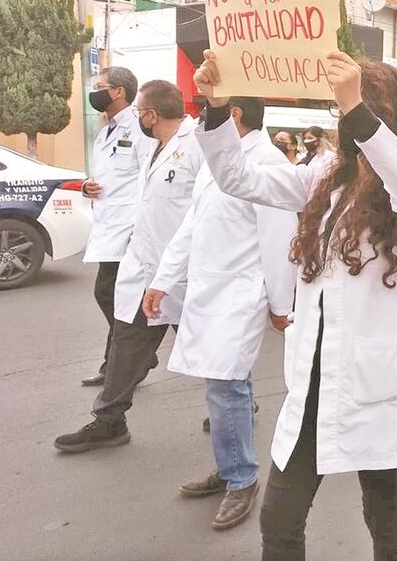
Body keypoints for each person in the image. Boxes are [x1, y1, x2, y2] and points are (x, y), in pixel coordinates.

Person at [190, 49, 397, 559]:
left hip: (376, 385)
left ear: (382, 114)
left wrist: (356, 106)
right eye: (341, 108)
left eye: (356, 107)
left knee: (383, 511)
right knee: (280, 518)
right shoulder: (325, 177)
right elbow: (239, 179)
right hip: (314, 382)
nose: (343, 118)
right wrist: (216, 108)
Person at [141, 97, 298, 530]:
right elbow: (192, 225)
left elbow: (280, 241)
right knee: (225, 385)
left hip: (242, 293)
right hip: (210, 289)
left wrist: (281, 305)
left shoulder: (268, 164)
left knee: (226, 386)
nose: (201, 120)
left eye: (211, 110)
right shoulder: (218, 162)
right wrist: (162, 280)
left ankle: (242, 479)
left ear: (234, 116)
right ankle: (231, 466)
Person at [55, 80, 205, 453]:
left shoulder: (197, 146)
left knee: (207, 342)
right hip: (144, 266)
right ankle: (109, 421)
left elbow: (208, 211)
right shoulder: (153, 145)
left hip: (184, 270)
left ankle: (235, 400)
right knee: (126, 339)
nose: (138, 117)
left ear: (151, 114)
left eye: (140, 111)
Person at [78, 66, 153, 387]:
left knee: (108, 292)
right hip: (109, 223)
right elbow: (107, 176)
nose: (95, 92)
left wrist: (142, 226)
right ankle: (129, 359)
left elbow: (148, 176)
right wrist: (87, 186)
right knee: (114, 295)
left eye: (100, 86)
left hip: (130, 227)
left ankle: (133, 355)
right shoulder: (105, 129)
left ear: (118, 91)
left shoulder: (138, 127)